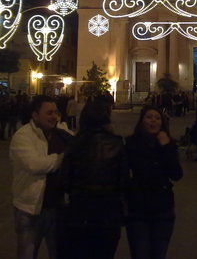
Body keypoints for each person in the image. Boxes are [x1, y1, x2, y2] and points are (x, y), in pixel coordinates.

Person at [59, 100, 129, 259]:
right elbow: (123, 181)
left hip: (79, 212)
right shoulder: (117, 143)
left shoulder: (74, 144)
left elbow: (65, 181)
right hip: (108, 213)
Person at [9, 95, 64, 259]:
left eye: (55, 112)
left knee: (59, 252)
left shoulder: (61, 134)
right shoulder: (23, 136)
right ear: (35, 115)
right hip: (30, 209)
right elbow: (34, 165)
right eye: (49, 113)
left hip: (56, 207)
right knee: (27, 253)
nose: (54, 116)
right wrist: (61, 158)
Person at [125, 106, 183, 259]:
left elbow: (176, 174)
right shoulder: (131, 143)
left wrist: (167, 147)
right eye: (149, 117)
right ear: (142, 120)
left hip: (162, 209)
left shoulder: (168, 144)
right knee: (140, 253)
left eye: (157, 118)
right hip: (138, 209)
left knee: (158, 254)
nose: (153, 121)